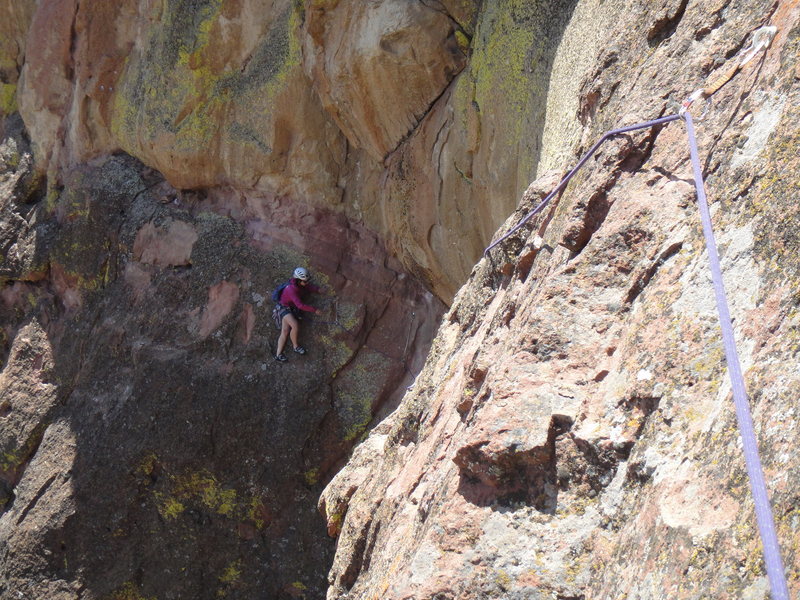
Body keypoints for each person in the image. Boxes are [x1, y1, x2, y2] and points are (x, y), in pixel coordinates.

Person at [274, 267, 322, 362]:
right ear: (298, 280)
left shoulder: (300, 284)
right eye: (305, 281)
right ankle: (295, 347)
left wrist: (317, 290)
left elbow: (308, 287)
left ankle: (278, 355)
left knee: (285, 331)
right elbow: (300, 305)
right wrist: (314, 310)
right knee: (295, 325)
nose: (307, 283)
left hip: (289, 308)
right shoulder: (291, 289)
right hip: (283, 308)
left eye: (307, 281)